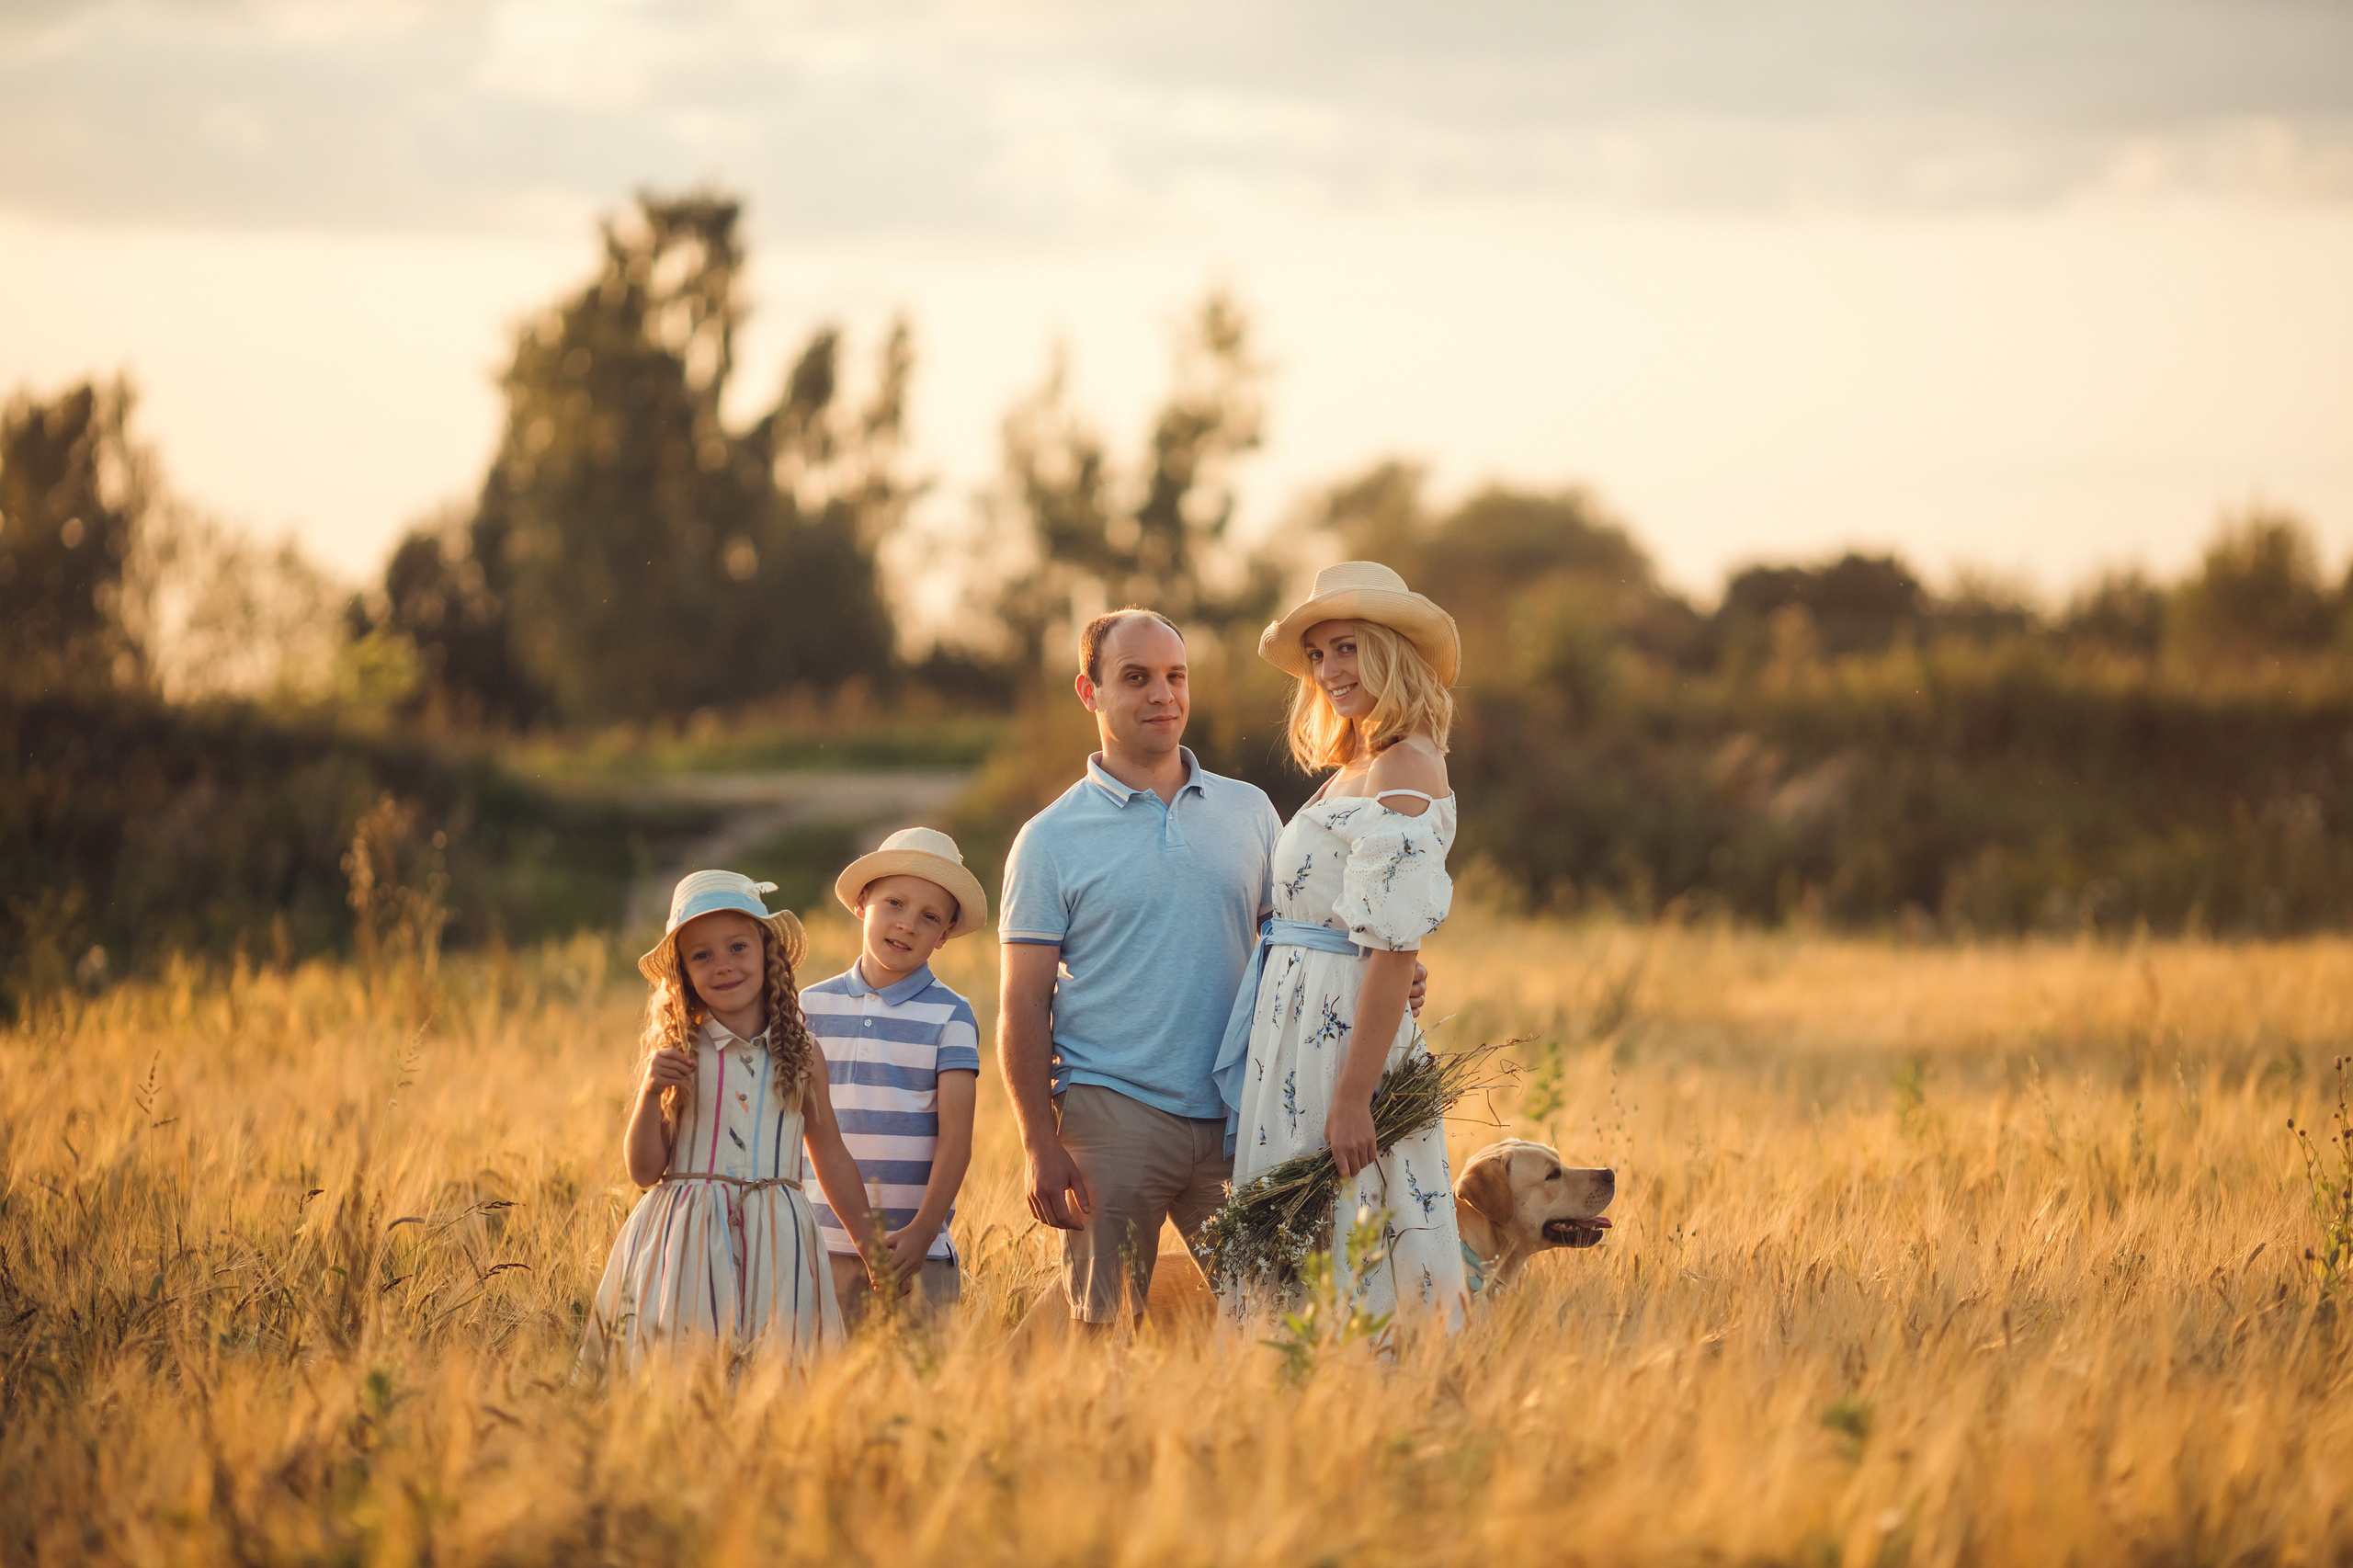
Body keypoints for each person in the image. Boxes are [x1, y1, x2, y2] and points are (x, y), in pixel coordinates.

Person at [999, 607, 1426, 1327]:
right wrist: (1039, 1144)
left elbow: (1300, 937)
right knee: (1101, 1327)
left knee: (1275, 1317)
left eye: (1176, 676)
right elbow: (1021, 1005)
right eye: (1136, 678)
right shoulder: (1049, 840)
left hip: (1246, 1113)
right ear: (1089, 691)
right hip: (1114, 1113)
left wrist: (1379, 976)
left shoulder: (1249, 810)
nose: (1162, 695)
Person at [1212, 561, 1471, 1334]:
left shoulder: (1405, 765)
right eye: (1318, 654)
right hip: (1298, 1033)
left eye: (1347, 647)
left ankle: (1361, 1384)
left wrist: (1355, 1096)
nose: (1329, 670)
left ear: (1390, 651)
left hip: (1339, 1049)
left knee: (1351, 1232)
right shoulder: (1354, 766)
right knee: (1298, 1242)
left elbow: (1393, 948)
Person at [581, 869, 881, 1369]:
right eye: (701, 955)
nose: (723, 965)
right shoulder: (679, 1053)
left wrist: (870, 1244)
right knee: (686, 1368)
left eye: (738, 947)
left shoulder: (803, 1054)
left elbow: (829, 1153)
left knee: (776, 1370)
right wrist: (650, 1094)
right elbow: (644, 1172)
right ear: (683, 973)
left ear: (768, 953)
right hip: (687, 1241)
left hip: (778, 1240)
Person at [802, 827, 988, 1328]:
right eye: (895, 903)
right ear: (862, 902)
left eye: (930, 917)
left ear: (944, 935)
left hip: (915, 1256)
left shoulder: (951, 1015)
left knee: (919, 1375)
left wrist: (924, 1232)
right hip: (816, 1246)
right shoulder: (807, 1008)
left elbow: (956, 1138)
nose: (907, 924)